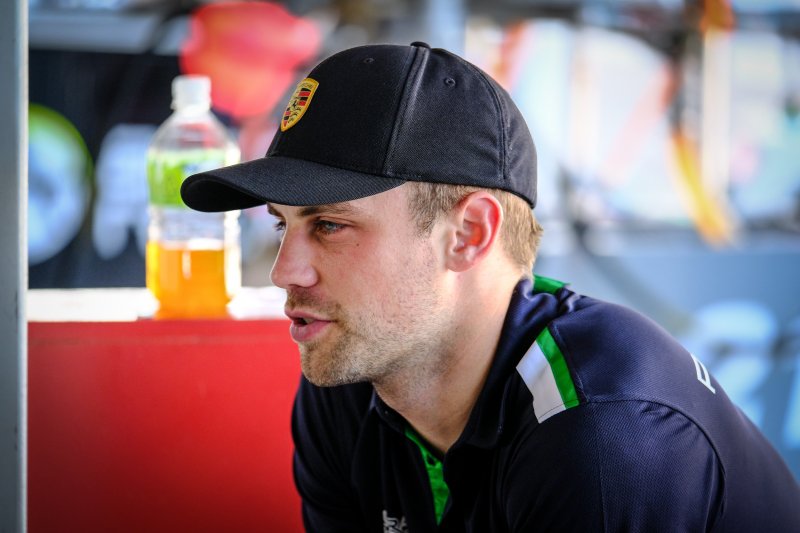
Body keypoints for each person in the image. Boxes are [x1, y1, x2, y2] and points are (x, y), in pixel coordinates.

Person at [181, 42, 799, 532]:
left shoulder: (606, 438)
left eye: (330, 225)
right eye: (282, 225)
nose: (285, 270)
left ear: (469, 234)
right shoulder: (352, 375)